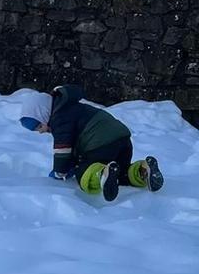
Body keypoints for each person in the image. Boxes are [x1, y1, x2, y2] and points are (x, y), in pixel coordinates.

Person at [20, 85, 164, 201]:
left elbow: (63, 148)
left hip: (100, 143)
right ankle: (142, 171)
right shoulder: (71, 107)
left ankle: (101, 174)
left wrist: (60, 171)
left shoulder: (60, 118)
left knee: (83, 171)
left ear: (43, 112)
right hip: (122, 139)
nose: (40, 131)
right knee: (120, 172)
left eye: (39, 126)